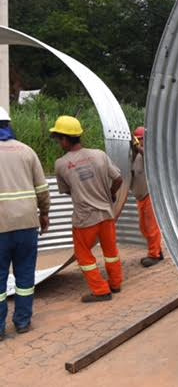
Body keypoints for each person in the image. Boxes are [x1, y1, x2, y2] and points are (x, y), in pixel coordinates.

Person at [50, 116, 124, 302]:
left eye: (58, 139)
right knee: (111, 252)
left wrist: (83, 192)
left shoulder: (61, 164)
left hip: (85, 219)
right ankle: (115, 284)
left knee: (83, 255)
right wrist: (111, 194)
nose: (58, 143)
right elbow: (118, 179)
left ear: (65, 139)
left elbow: (68, 191)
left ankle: (100, 291)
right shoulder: (99, 155)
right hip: (107, 215)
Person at [0, 107, 50, 339]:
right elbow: (42, 189)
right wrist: (44, 214)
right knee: (25, 275)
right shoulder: (26, 151)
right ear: (8, 125)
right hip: (27, 224)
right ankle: (22, 322)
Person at [131, 127, 164, 267]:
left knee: (151, 227)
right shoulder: (138, 155)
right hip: (141, 196)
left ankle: (154, 255)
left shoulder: (151, 153)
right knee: (144, 227)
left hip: (150, 195)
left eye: (140, 139)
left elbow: (148, 157)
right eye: (137, 139)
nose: (139, 142)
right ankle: (157, 251)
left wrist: (138, 148)